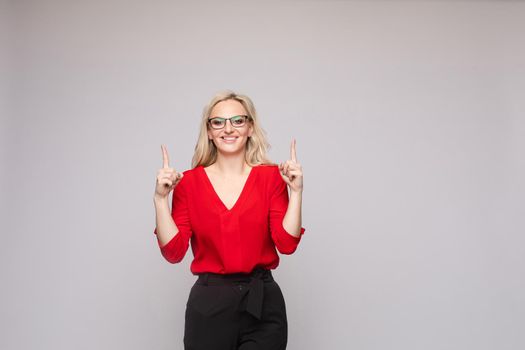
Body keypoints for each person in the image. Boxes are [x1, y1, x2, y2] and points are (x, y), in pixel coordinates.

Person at [153, 90, 305, 350]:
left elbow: (287, 244)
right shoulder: (188, 183)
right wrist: (160, 200)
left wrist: (296, 192)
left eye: (238, 120)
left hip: (262, 306)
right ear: (209, 131)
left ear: (250, 128)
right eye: (218, 122)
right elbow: (174, 252)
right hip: (209, 307)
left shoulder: (270, 178)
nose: (228, 129)